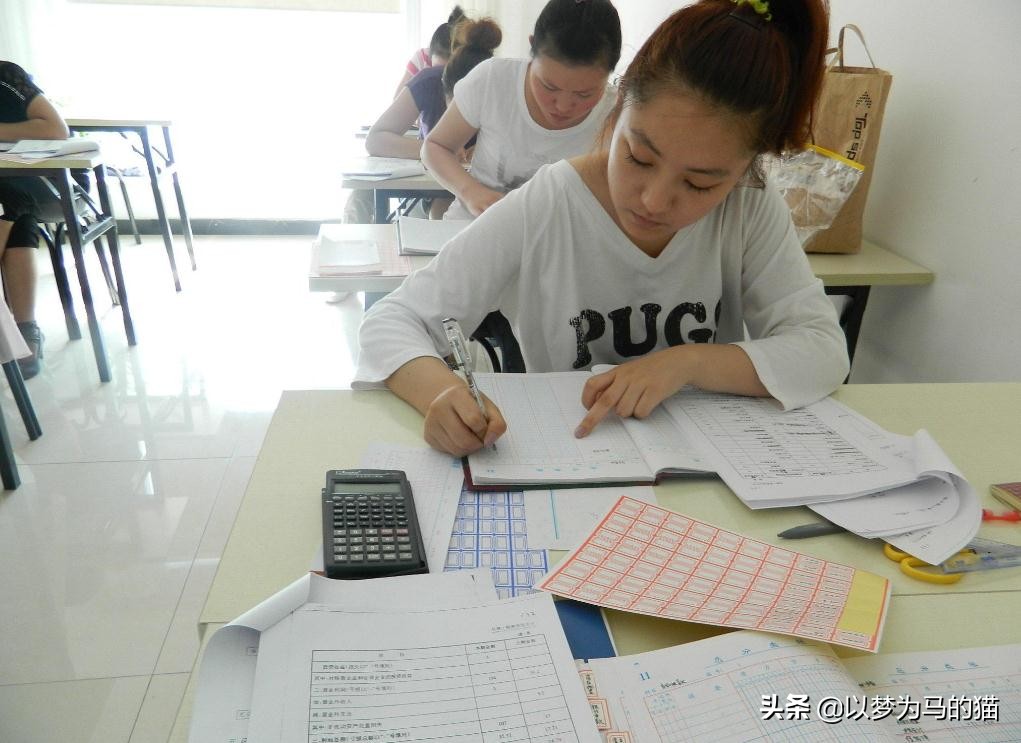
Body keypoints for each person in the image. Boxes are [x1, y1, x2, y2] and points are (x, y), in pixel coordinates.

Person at [353, 0, 850, 457]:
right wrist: (440, 391)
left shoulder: (749, 210)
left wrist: (687, 363)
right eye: (637, 156)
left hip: (704, 467)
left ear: (745, 170)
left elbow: (822, 349)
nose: (654, 200)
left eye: (700, 184)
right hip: (572, 459)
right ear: (616, 112)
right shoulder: (550, 202)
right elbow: (392, 321)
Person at [422, 0, 622, 220]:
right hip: (471, 229)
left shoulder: (618, 114)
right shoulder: (493, 79)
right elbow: (435, 146)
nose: (563, 106)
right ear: (532, 47)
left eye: (584, 94)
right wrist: (471, 191)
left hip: (556, 248)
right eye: (549, 86)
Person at [0, 60, 72, 379]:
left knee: (11, 203)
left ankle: (24, 329)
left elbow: (55, 129)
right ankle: (24, 328)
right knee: (13, 209)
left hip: (46, 185)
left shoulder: (6, 75)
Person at [392, 6, 467, 100]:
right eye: (436, 70)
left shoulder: (469, 72)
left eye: (446, 71)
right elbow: (397, 102)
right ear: (429, 56)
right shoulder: (421, 59)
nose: (441, 77)